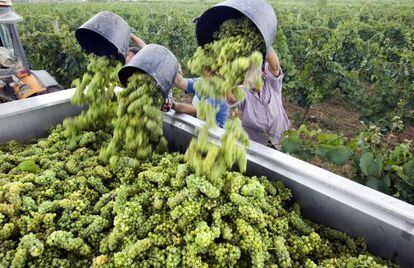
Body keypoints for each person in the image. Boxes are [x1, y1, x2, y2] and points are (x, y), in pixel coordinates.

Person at [228, 47, 290, 149]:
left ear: (263, 73)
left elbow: (275, 66)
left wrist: (265, 43)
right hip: (258, 147)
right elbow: (231, 98)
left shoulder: (272, 83)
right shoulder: (243, 91)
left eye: (252, 70)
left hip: (281, 142)